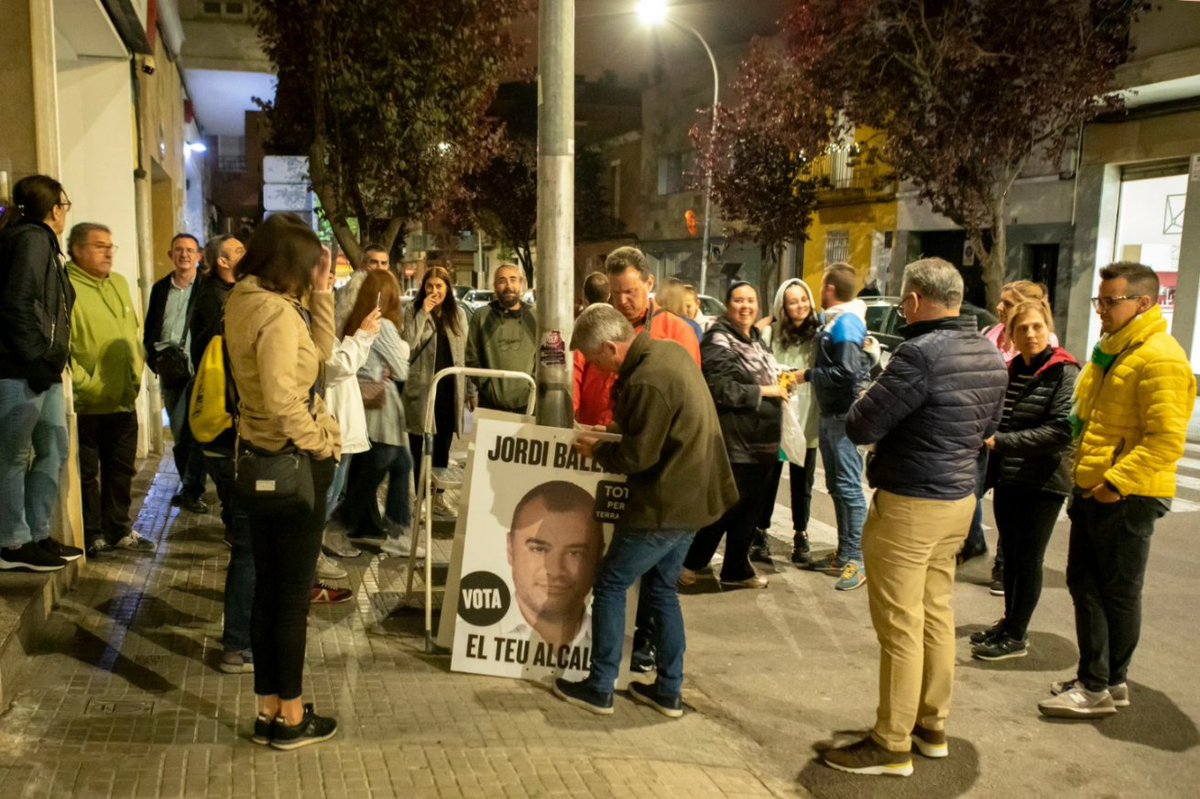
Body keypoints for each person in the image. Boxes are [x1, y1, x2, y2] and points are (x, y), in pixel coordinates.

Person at [820, 258, 1006, 777]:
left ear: (915, 302)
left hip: (910, 505)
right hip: (957, 502)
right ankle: (931, 725)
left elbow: (861, 423)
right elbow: (987, 425)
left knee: (900, 625)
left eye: (904, 299)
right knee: (935, 616)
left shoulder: (918, 354)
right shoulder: (989, 352)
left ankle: (891, 742)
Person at [552, 304, 737, 717]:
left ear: (610, 348)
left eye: (595, 358)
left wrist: (598, 448)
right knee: (661, 589)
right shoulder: (667, 354)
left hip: (667, 503)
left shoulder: (646, 380)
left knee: (611, 582)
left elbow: (638, 456)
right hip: (694, 498)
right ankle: (668, 691)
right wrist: (610, 433)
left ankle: (600, 686)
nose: (598, 369)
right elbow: (653, 428)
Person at [1038, 262, 1195, 719]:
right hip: (1097, 486)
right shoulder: (1117, 350)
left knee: (1113, 591)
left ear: (1143, 303)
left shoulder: (1159, 356)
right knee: (1088, 585)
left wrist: (1114, 484)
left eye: (1111, 301)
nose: (1102, 310)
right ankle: (1105, 679)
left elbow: (1166, 439)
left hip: (1126, 494)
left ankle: (1097, 685)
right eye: (1100, 301)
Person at [224, 212, 341, 750]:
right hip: (293, 462)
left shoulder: (248, 301)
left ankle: (269, 706)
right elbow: (280, 395)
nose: (316, 272)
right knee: (291, 596)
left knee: (270, 590)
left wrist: (322, 295)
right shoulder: (275, 312)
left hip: (260, 459)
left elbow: (320, 356)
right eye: (313, 266)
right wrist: (320, 443)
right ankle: (291, 718)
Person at [970, 299, 1078, 662]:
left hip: (1043, 482)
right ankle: (1008, 623)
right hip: (1010, 478)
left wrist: (1002, 441)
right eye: (1022, 329)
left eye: (1036, 326)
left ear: (1048, 326)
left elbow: (1061, 430)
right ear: (1011, 335)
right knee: (1012, 557)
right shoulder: (1013, 368)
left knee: (1029, 559)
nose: (1030, 334)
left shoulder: (1064, 372)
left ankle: (1017, 634)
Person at [681, 282, 785, 590]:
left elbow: (766, 372)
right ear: (728, 305)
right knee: (726, 507)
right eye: (739, 300)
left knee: (749, 511)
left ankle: (736, 568)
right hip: (735, 441)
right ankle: (691, 562)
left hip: (763, 442)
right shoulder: (718, 340)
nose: (746, 306)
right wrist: (766, 391)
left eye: (751, 300)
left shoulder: (754, 339)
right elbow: (720, 389)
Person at [0, 175, 80, 572]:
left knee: (53, 448)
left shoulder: (44, 244)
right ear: (54, 209)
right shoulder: (31, 240)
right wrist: (36, 358)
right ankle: (12, 542)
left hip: (42, 369)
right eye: (65, 204)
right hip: (20, 369)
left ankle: (38, 534)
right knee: (13, 455)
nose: (66, 212)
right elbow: (17, 303)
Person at [966, 280, 1060, 591]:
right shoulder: (994, 334)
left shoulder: (1049, 355)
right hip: (988, 434)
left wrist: (1004, 439)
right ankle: (976, 545)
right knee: (972, 495)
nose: (999, 308)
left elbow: (1057, 425)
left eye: (1007, 303)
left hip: (1020, 448)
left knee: (1021, 534)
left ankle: (1004, 569)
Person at [66, 223, 150, 556]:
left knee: (121, 471)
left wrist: (134, 375)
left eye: (111, 246)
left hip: (123, 399)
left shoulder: (118, 283)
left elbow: (133, 331)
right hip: (88, 403)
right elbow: (67, 345)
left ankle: (119, 528)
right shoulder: (66, 285)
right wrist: (85, 385)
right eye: (100, 246)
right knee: (88, 474)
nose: (108, 252)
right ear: (77, 250)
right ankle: (93, 533)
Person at [795, 263, 872, 591]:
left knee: (850, 488)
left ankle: (857, 559)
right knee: (839, 486)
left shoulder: (847, 325)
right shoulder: (838, 322)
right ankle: (844, 552)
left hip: (843, 416)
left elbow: (847, 373)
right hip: (832, 415)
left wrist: (808, 375)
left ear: (829, 289)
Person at [340, 270, 420, 559]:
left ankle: (394, 533)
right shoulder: (383, 325)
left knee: (399, 465)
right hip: (380, 411)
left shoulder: (356, 320)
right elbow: (401, 369)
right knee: (373, 473)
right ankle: (338, 528)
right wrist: (401, 349)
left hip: (365, 406)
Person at [574, 246, 700, 427]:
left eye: (630, 292)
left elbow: (688, 397)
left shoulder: (677, 331)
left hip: (641, 440)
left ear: (649, 283)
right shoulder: (596, 322)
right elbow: (574, 369)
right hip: (589, 432)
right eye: (616, 293)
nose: (622, 300)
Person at [752, 278, 821, 565]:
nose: (799, 306)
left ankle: (801, 534)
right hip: (776, 418)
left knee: (802, 483)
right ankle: (760, 533)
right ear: (783, 305)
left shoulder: (820, 335)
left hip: (807, 419)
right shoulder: (770, 334)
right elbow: (751, 337)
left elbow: (856, 353)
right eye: (792, 301)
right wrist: (768, 319)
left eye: (803, 299)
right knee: (768, 479)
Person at [145, 232, 207, 513]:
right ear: (171, 255)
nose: (184, 255)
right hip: (173, 371)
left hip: (203, 371)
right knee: (181, 432)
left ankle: (194, 488)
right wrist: (155, 359)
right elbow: (150, 328)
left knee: (202, 432)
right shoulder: (160, 289)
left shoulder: (206, 287)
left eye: (190, 250)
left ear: (199, 256)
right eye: (179, 250)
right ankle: (190, 486)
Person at [402, 265, 469, 517]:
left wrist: (469, 390)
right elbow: (407, 345)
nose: (434, 291)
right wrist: (423, 314)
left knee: (443, 444)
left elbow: (463, 353)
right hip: (421, 388)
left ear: (448, 288)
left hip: (449, 387)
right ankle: (420, 497)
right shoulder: (412, 310)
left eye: (439, 286)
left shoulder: (458, 314)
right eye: (429, 286)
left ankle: (437, 497)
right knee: (418, 443)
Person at [189, 234, 245, 538]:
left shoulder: (231, 292)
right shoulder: (216, 298)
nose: (245, 254)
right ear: (222, 262)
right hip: (222, 405)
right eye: (238, 251)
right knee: (233, 493)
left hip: (229, 405)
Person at [503, 481, 604, 648]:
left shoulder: (623, 651)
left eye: (575, 553)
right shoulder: (466, 639)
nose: (555, 570)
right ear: (510, 549)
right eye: (538, 549)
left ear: (599, 557)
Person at [465, 263, 537, 414]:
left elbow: (542, 358)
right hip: (490, 404)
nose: (508, 286)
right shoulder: (481, 316)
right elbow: (471, 357)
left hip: (528, 404)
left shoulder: (535, 317)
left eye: (513, 279)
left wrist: (532, 386)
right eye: (502, 281)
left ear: (521, 283)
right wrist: (486, 386)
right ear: (495, 286)